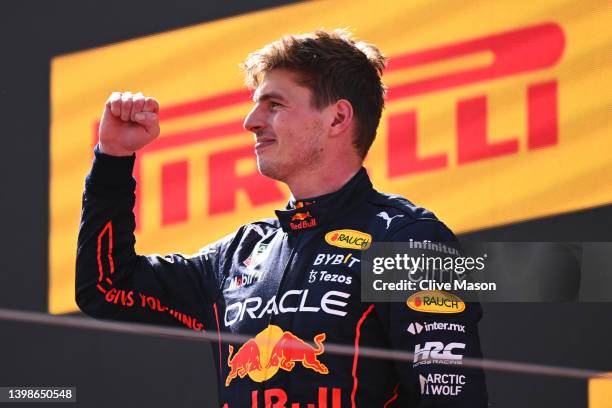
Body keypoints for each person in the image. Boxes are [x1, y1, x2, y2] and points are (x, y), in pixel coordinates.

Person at [76, 29, 488, 407]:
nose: (251, 122)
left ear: (338, 118)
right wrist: (113, 158)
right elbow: (106, 287)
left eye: (274, 105)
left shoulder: (407, 241)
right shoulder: (236, 256)